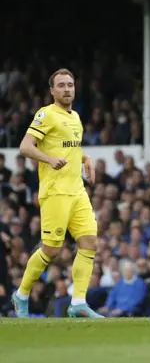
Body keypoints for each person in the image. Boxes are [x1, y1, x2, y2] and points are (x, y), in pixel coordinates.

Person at [11, 68, 103, 318]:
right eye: (61, 85)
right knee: (51, 249)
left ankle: (78, 303)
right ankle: (21, 295)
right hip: (55, 192)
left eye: (70, 85)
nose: (66, 89)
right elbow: (25, 147)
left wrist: (86, 158)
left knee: (90, 242)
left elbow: (71, 148)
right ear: (52, 90)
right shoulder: (46, 114)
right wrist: (48, 159)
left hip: (77, 191)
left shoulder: (75, 117)